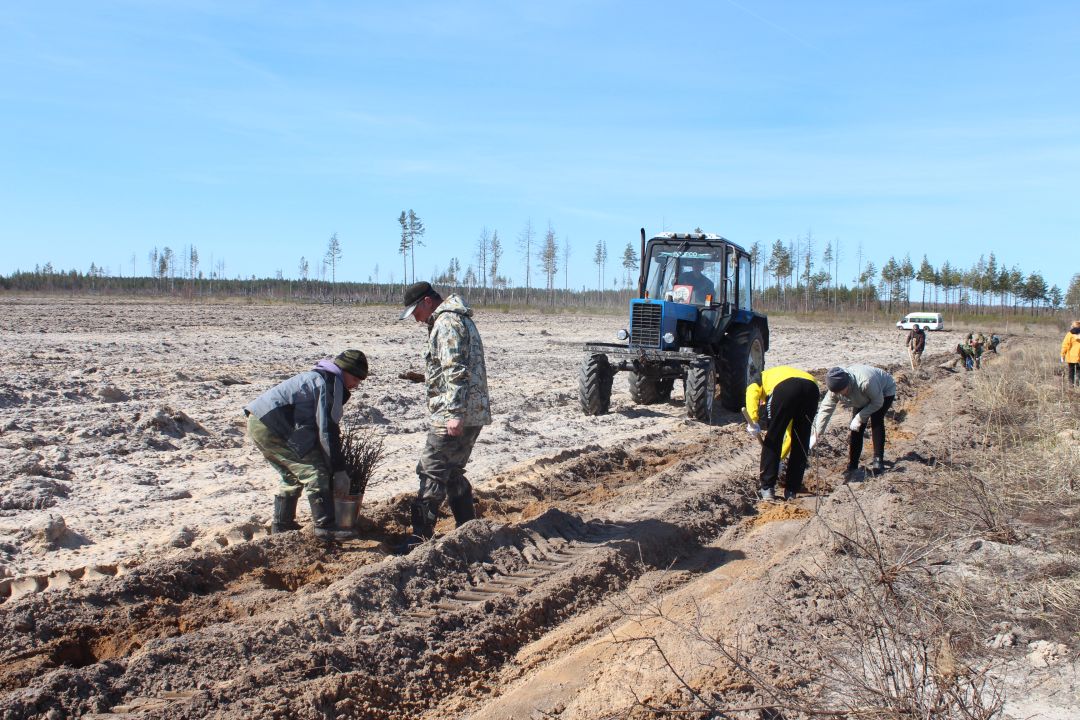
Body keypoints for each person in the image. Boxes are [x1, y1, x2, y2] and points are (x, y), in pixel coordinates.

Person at [401, 281, 492, 547]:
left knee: (431, 470)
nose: (416, 319)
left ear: (428, 302)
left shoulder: (446, 323)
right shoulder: (457, 319)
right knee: (452, 472)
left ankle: (419, 539)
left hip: (455, 413)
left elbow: (456, 369)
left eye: (415, 311)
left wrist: (453, 413)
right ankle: (468, 528)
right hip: (471, 411)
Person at [244, 350, 368, 540]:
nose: (357, 385)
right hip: (272, 426)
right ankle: (325, 526)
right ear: (345, 371)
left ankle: (282, 525)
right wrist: (338, 469)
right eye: (356, 379)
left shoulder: (320, 378)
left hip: (258, 421)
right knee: (315, 471)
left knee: (292, 474)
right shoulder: (329, 384)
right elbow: (327, 430)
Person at [745, 366, 820, 501]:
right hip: (812, 389)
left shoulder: (759, 378)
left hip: (785, 388)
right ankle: (792, 490)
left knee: (774, 435)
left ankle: (767, 488)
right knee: (801, 439)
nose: (762, 402)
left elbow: (751, 393)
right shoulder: (780, 373)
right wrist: (780, 457)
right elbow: (792, 435)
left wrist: (753, 420)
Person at [810, 365, 897, 481]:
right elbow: (826, 409)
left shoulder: (866, 381)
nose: (840, 394)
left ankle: (878, 460)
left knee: (876, 419)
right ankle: (853, 464)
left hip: (884, 391)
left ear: (847, 383)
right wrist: (817, 433)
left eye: (842, 391)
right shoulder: (835, 389)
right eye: (837, 392)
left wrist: (859, 417)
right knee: (856, 428)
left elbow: (877, 402)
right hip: (860, 397)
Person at [1062, 320, 1080, 387]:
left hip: (1071, 356)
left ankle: (1071, 385)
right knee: (1079, 371)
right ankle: (1078, 385)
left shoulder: (1069, 334)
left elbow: (1065, 345)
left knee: (1071, 371)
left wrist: (1062, 354)